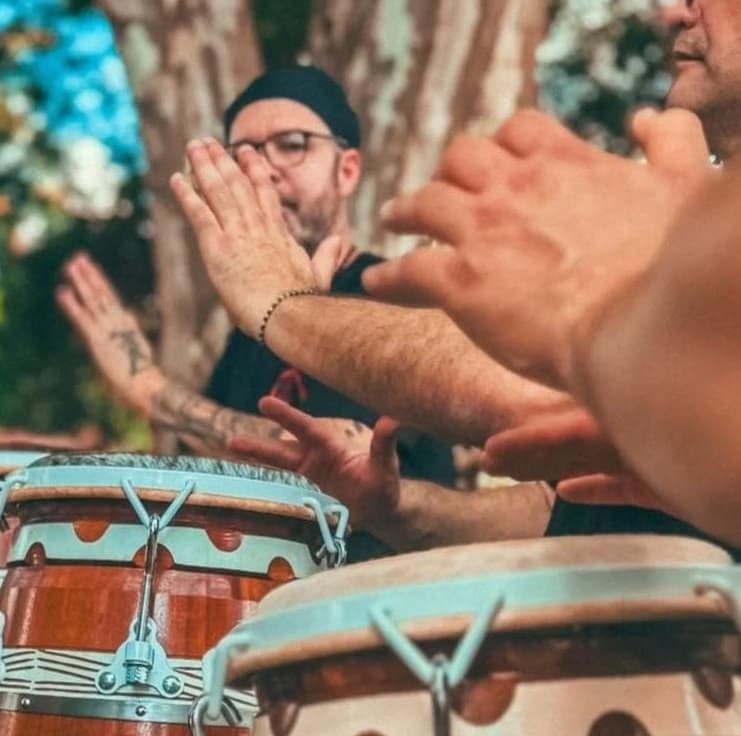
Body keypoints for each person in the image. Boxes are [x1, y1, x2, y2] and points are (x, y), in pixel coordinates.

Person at [169, 3, 741, 553]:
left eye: (291, 145)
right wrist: (397, 508)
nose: (676, 10)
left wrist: (283, 307)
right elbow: (568, 505)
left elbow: (537, 396)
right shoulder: (704, 235)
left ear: (349, 168)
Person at [56, 66, 455, 519]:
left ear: (346, 171)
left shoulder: (395, 295)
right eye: (242, 154)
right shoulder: (251, 329)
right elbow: (212, 474)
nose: (262, 170)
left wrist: (149, 389)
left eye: (292, 144)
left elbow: (339, 456)